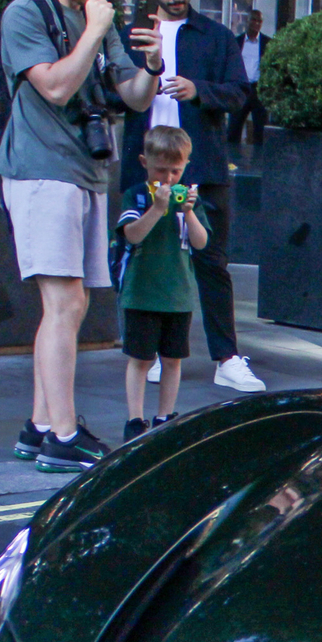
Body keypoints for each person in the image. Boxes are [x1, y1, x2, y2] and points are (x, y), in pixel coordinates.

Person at [0, 0, 158, 473]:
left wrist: (153, 64)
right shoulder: (26, 13)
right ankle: (63, 434)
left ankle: (40, 426)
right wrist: (93, 29)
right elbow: (57, 85)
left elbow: (134, 98)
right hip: (39, 168)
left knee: (73, 303)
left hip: (86, 172)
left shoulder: (100, 14)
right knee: (63, 303)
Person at [118, 0, 259, 393]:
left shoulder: (215, 36)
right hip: (146, 164)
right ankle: (151, 353)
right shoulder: (132, 36)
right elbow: (115, 93)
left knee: (211, 260)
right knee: (146, 258)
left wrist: (198, 90)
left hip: (202, 164)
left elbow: (240, 93)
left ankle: (227, 357)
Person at [116, 125, 209, 441]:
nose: (168, 179)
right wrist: (157, 209)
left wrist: (189, 213)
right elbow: (131, 234)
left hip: (178, 295)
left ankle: (165, 416)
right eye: (160, 171)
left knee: (173, 359)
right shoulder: (138, 195)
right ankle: (135, 419)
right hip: (142, 293)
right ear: (144, 162)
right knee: (140, 358)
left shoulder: (189, 200)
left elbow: (201, 242)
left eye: (176, 171)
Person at [226, 6, 265, 149]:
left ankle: (259, 163)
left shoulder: (267, 43)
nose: (256, 24)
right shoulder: (237, 42)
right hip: (241, 89)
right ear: (247, 22)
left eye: (259, 21)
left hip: (258, 90)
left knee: (260, 130)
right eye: (253, 20)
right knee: (234, 127)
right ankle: (231, 159)